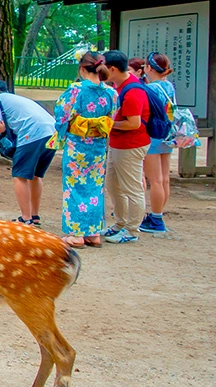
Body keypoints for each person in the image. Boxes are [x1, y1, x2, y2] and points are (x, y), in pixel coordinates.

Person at [52, 52, 118, 247]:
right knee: (94, 188)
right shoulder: (111, 93)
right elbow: (112, 117)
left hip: (77, 146)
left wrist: (65, 129)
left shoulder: (75, 90)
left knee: (75, 188)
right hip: (98, 147)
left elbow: (61, 115)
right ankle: (93, 233)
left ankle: (77, 234)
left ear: (82, 68)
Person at [0, 80, 58, 226]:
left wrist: (3, 126)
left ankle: (25, 218)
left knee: (20, 175)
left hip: (32, 134)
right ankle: (34, 215)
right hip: (52, 134)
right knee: (36, 176)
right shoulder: (17, 99)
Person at [102, 50, 149, 244]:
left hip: (131, 145)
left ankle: (131, 230)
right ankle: (120, 223)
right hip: (119, 144)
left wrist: (108, 124)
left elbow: (133, 123)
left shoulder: (133, 91)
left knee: (132, 188)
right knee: (113, 185)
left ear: (112, 69)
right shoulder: (120, 87)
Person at [141, 51, 176, 234]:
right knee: (164, 179)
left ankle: (156, 218)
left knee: (154, 180)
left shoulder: (151, 89)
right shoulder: (168, 86)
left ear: (149, 67)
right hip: (168, 134)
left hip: (153, 135)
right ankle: (158, 213)